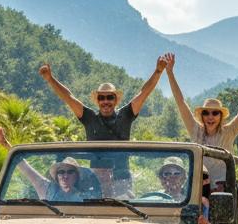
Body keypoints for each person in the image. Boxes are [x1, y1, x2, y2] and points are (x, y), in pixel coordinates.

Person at [39, 56, 167, 197]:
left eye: (109, 97)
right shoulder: (89, 118)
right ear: (98, 101)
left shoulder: (125, 115)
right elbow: (69, 97)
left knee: (124, 207)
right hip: (95, 180)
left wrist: (158, 72)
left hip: (121, 180)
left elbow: (143, 93)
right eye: (101, 98)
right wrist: (50, 79)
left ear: (115, 100)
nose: (105, 101)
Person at [166, 54, 238, 189]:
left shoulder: (229, 132)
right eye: (206, 113)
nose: (210, 117)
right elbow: (181, 103)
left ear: (220, 117)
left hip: (224, 189)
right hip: (199, 189)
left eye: (215, 113)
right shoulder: (195, 130)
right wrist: (170, 73)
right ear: (202, 116)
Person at [0, 126, 97, 202]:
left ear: (76, 176)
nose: (65, 176)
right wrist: (5, 144)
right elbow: (26, 169)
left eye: (70, 172)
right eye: (61, 172)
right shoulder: (47, 189)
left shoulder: (85, 198)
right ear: (56, 177)